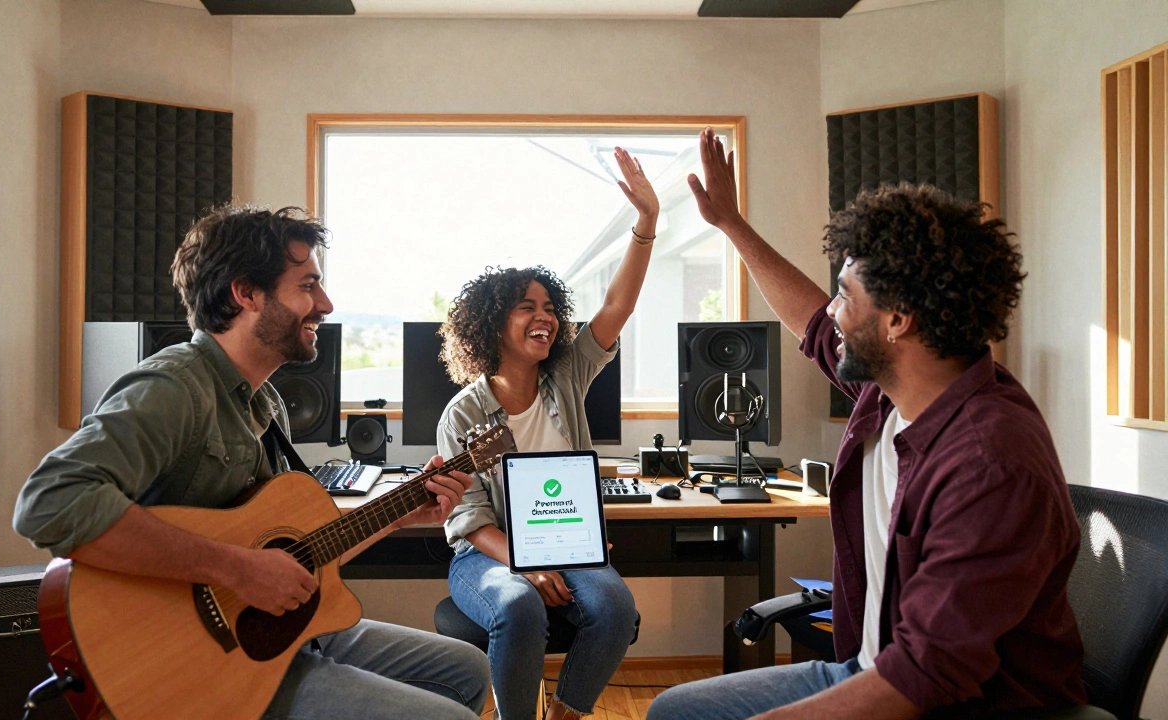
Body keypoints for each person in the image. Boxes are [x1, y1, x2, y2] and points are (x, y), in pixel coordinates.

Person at [647, 130, 1087, 720]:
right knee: (675, 713)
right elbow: (811, 324)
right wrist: (730, 224)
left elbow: (927, 676)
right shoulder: (890, 393)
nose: (832, 311)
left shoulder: (989, 463)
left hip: (960, 704)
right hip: (868, 666)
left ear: (898, 321)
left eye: (845, 296)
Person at [12, 205, 491, 720]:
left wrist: (397, 515)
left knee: (467, 669)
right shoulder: (175, 387)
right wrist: (239, 569)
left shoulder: (266, 403)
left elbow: (298, 550)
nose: (326, 304)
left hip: (279, 634)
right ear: (246, 293)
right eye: (308, 285)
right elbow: (48, 503)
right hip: (198, 662)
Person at [436, 147, 656, 720]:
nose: (545, 315)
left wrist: (646, 224)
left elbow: (616, 304)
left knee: (614, 607)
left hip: (568, 543)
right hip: (486, 556)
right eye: (526, 306)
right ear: (491, 324)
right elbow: (469, 517)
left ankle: (565, 713)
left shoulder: (567, 376)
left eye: (550, 306)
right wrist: (525, 564)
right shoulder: (462, 415)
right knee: (518, 605)